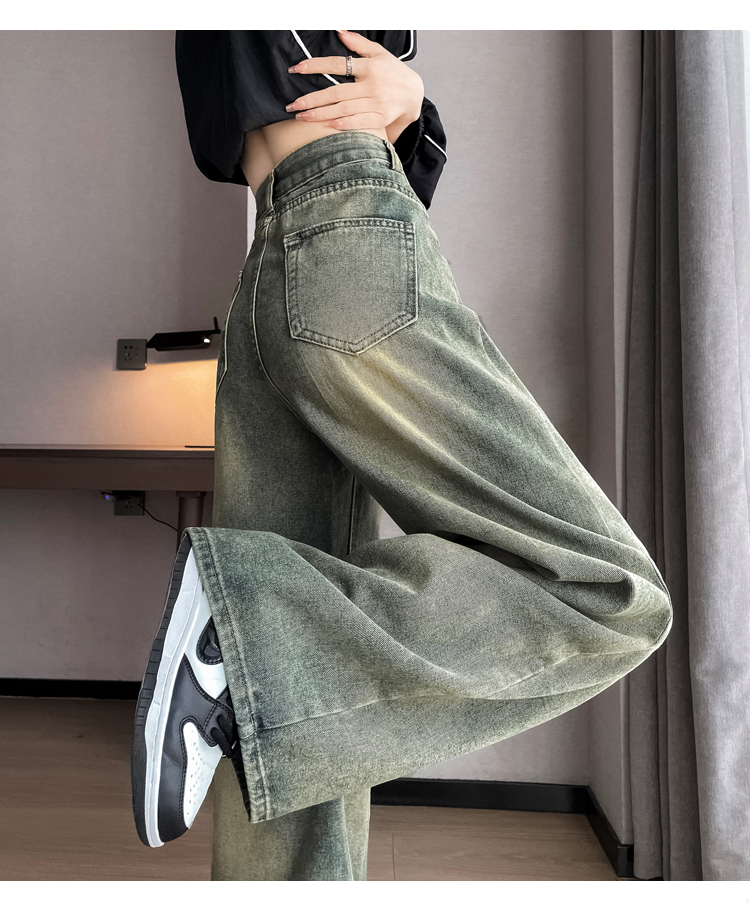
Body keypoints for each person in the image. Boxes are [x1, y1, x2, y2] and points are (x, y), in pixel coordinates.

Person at [131, 30, 673, 881]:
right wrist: (410, 101)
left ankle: (246, 642)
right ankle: (249, 628)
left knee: (294, 737)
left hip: (278, 251)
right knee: (609, 593)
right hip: (340, 231)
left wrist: (413, 106)